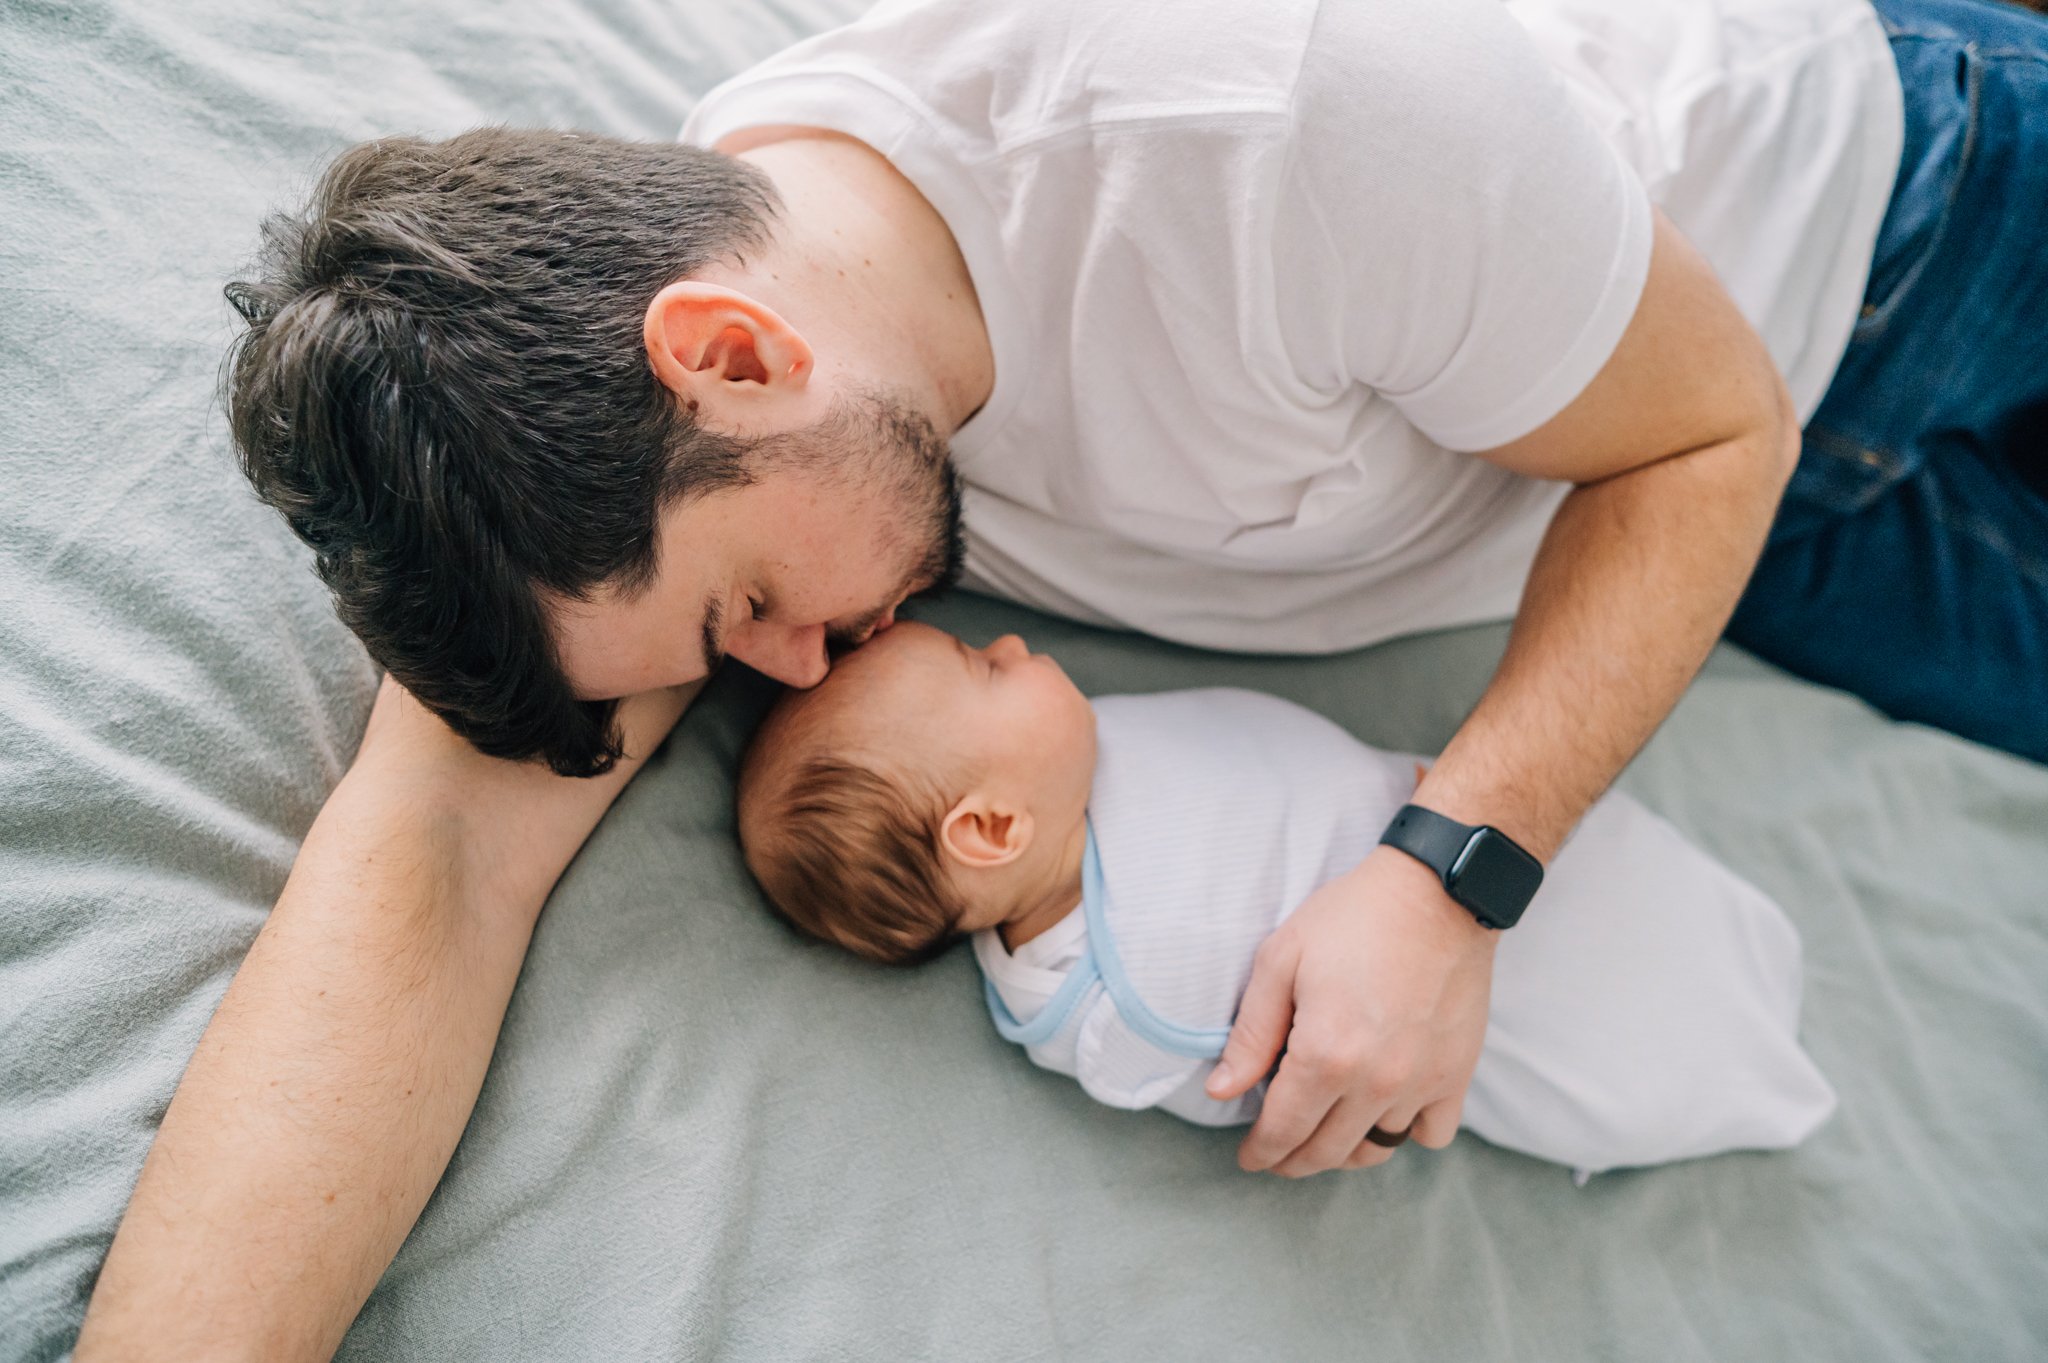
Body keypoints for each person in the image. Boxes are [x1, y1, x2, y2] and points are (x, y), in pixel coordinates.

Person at [75, 0, 2048, 1356]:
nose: (780, 675)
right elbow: (428, 859)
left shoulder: (1266, 119)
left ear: (736, 355)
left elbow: (1709, 436)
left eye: (748, 606)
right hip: (1689, 499)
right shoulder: (590, 455)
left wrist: (1452, 870)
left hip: (1888, 229)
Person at [735, 621, 1837, 1175]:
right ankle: (1734, 1074)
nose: (1012, 643)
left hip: (1444, 822)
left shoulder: (1071, 767)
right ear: (988, 830)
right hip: (1500, 987)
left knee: (1640, 886)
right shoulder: (1119, 990)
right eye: (985, 667)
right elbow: (1257, 1071)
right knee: (1640, 1022)